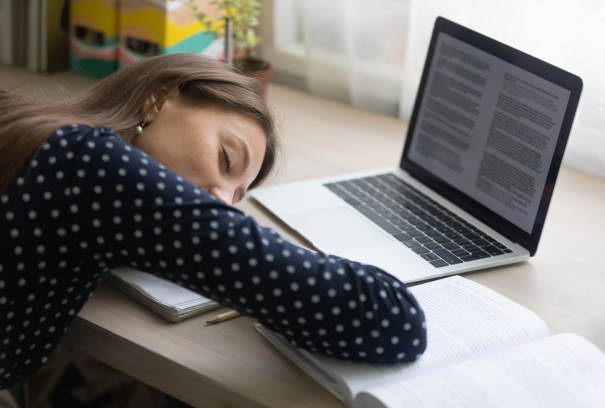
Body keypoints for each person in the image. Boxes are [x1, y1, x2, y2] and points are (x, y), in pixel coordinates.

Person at [0, 53, 426, 389]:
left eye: (234, 198)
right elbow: (390, 318)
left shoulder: (33, 132)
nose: (218, 201)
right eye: (226, 159)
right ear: (161, 96)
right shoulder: (98, 170)